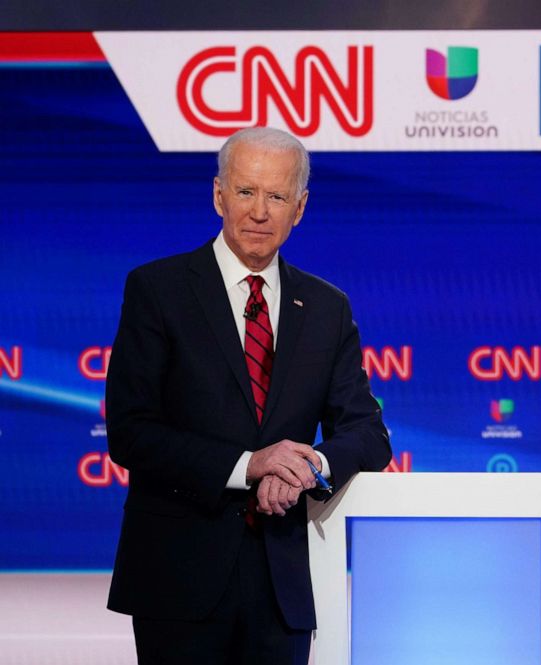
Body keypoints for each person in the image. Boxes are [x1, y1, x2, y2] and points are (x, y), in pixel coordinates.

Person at [105, 126, 391, 664]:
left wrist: (309, 466)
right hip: (177, 579)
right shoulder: (157, 290)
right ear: (218, 195)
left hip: (280, 585)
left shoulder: (327, 309)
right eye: (245, 192)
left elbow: (367, 434)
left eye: (277, 196)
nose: (260, 211)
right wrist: (250, 466)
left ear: (300, 207)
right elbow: (131, 431)